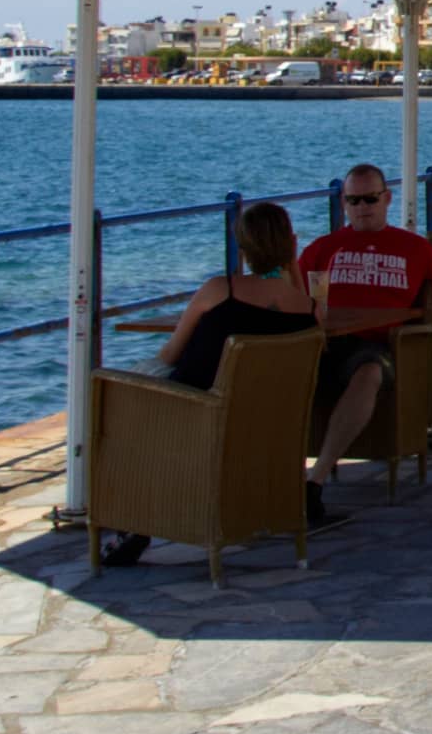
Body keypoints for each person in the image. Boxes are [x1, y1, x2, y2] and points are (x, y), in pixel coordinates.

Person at [101, 200, 326, 564]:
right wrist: (291, 264)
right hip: (262, 422)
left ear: (241, 247)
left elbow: (170, 354)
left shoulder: (219, 291)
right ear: (292, 244)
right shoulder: (310, 311)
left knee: (115, 396)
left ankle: (132, 519)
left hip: (195, 411)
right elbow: (312, 318)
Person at [290, 167, 432, 527]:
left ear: (387, 199)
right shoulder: (324, 249)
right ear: (343, 203)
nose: (362, 207)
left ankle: (314, 482)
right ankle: (261, 479)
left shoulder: (415, 249)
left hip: (378, 347)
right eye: (353, 200)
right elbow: (293, 295)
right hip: (323, 344)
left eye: (370, 199)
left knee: (368, 372)